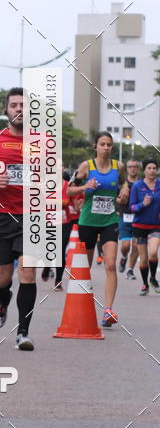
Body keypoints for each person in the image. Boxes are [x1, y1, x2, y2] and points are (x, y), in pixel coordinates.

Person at [0, 88, 36, 351]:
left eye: (23, 105)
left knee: (28, 272)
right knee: (3, 276)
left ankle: (22, 332)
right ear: (6, 110)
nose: (19, 109)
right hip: (0, 216)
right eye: (14, 105)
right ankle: (3, 298)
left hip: (31, 215)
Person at [67, 132, 129, 327]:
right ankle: (85, 306)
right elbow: (69, 190)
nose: (106, 148)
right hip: (88, 221)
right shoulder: (87, 166)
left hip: (109, 221)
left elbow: (124, 181)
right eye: (102, 144)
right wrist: (85, 186)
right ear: (95, 146)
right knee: (85, 268)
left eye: (109, 144)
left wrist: (125, 189)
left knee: (110, 264)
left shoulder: (118, 166)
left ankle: (107, 310)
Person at [129, 158, 160, 295]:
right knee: (143, 258)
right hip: (139, 225)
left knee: (153, 252)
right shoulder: (137, 186)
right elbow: (132, 207)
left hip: (155, 225)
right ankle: (144, 284)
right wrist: (143, 204)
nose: (152, 170)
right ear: (145, 170)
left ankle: (153, 278)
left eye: (154, 168)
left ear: (157, 170)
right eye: (149, 168)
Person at [53, 163, 83, 292]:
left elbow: (76, 206)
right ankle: (47, 267)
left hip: (64, 222)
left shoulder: (67, 185)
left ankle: (58, 280)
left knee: (59, 252)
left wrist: (81, 204)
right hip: (45, 222)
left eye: (60, 166)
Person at [118, 159, 141, 279]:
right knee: (126, 245)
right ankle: (124, 258)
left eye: (135, 167)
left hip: (139, 218)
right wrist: (121, 200)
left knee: (136, 245)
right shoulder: (122, 183)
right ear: (127, 169)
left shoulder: (142, 183)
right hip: (124, 216)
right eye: (130, 167)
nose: (132, 169)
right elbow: (114, 198)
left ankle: (130, 270)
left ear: (138, 169)